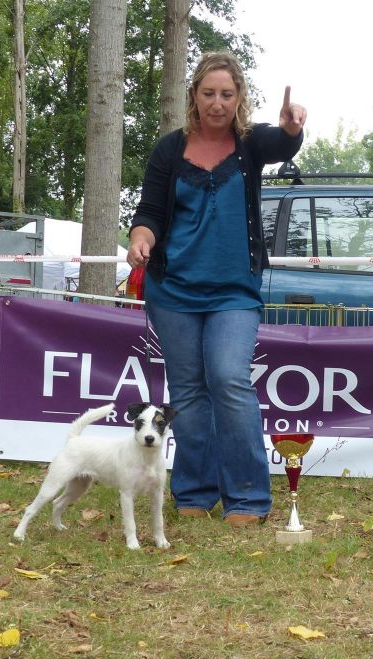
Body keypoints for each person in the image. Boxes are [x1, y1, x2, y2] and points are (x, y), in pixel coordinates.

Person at [127, 52, 306, 526]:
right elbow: (149, 212)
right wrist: (140, 237)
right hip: (173, 291)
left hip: (234, 293)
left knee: (228, 378)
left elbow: (281, 144)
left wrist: (291, 129)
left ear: (239, 98)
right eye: (209, 93)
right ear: (194, 96)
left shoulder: (250, 146)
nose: (218, 102)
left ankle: (247, 498)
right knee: (186, 391)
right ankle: (195, 491)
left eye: (227, 94)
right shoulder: (169, 149)